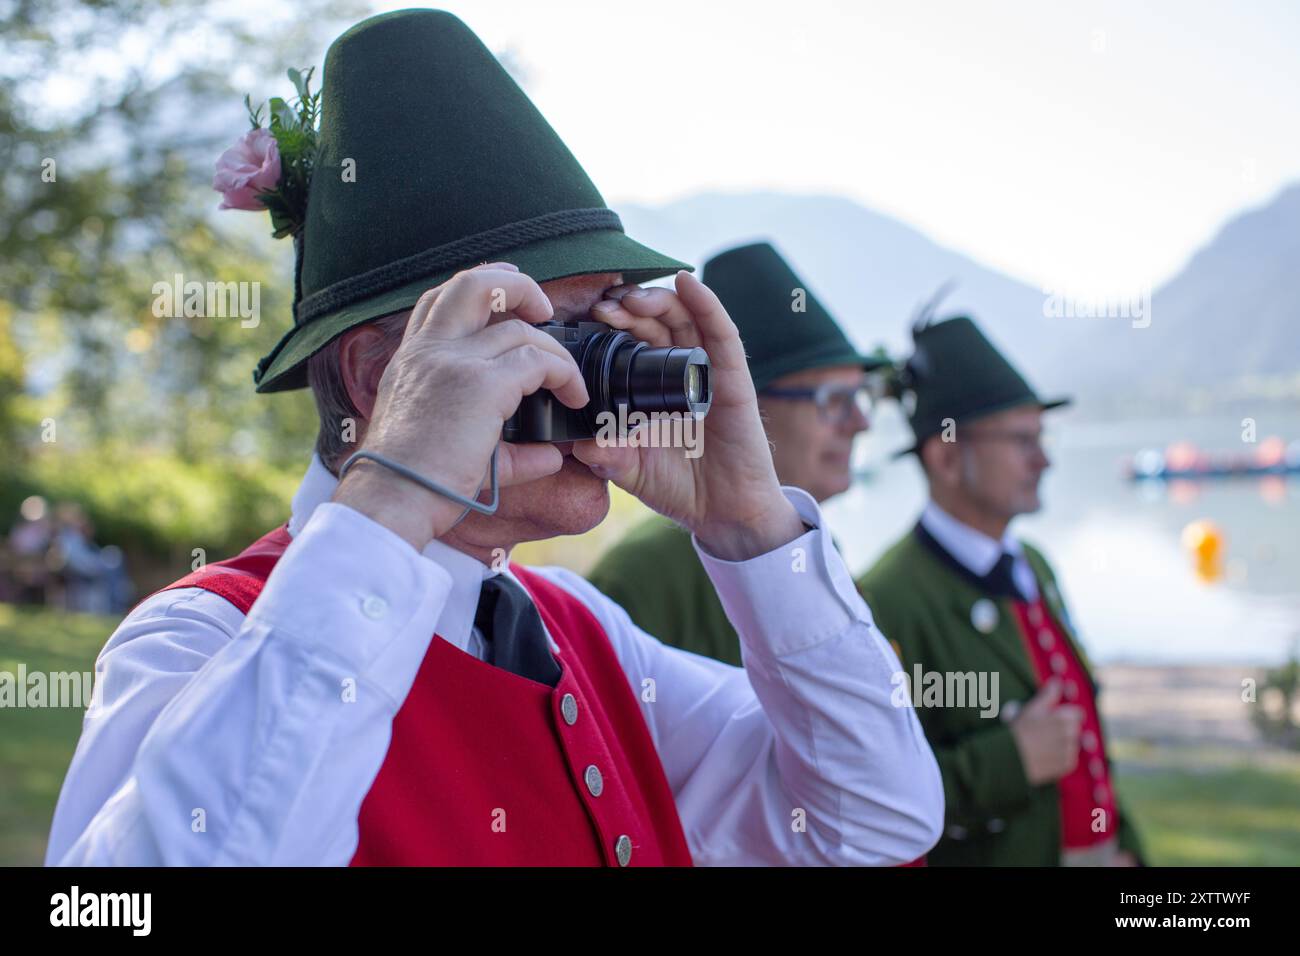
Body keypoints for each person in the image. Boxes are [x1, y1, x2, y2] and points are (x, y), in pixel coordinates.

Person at [45, 9, 942, 867]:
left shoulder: (585, 633)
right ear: (376, 377)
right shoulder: (195, 642)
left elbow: (873, 822)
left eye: (614, 322)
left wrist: (752, 528)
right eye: (549, 330)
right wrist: (393, 494)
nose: (595, 374)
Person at [856, 315, 1144, 866]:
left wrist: (1124, 848)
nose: (1044, 460)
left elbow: (1084, 729)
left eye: (1042, 437)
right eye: (1020, 440)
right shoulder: (887, 599)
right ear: (944, 457)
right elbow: (872, 793)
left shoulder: (1033, 564)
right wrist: (1010, 760)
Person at [589, 241, 883, 666]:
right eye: (834, 399)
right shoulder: (644, 578)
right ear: (745, 405)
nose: (861, 422)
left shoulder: (818, 549)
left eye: (862, 397)